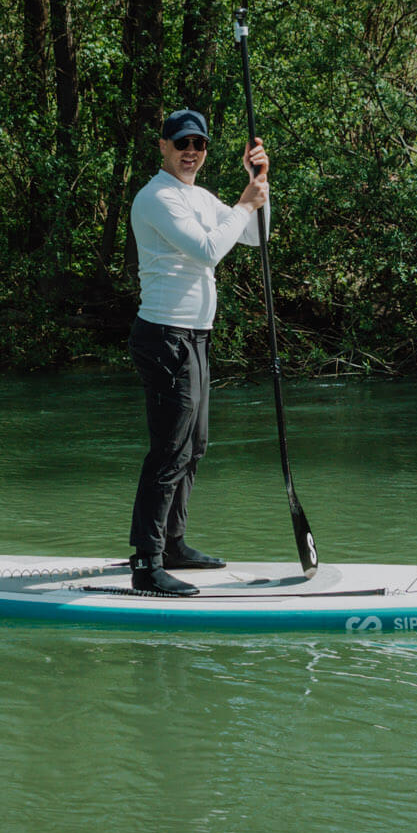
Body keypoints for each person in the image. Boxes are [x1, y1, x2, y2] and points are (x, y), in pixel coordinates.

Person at [125, 108, 271, 595]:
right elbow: (209, 250)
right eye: (182, 142)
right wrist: (245, 205)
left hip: (196, 336)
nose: (191, 151)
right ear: (163, 146)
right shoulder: (156, 198)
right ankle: (146, 563)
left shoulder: (199, 197)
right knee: (169, 450)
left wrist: (259, 188)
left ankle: (173, 543)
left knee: (195, 446)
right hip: (165, 336)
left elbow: (255, 235)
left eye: (200, 145)